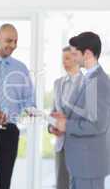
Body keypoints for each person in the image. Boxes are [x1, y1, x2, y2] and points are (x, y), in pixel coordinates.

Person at [0, 24, 35, 189]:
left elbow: (29, 100)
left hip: (9, 132)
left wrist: (32, 111)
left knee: (4, 184)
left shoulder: (21, 69)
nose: (13, 45)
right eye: (9, 40)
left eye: (16, 41)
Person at [52, 32, 110, 189]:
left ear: (88, 54)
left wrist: (66, 125)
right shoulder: (88, 79)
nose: (74, 58)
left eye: (76, 54)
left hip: (89, 165)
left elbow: (97, 125)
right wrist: (63, 119)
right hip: (81, 164)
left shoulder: (99, 82)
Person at [49, 46, 83, 189]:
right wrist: (52, 127)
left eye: (67, 58)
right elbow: (53, 112)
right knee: (61, 185)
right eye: (63, 59)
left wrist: (66, 124)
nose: (64, 62)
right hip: (61, 145)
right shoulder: (57, 84)